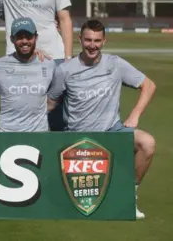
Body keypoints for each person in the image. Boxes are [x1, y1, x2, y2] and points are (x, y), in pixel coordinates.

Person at [47, 19, 156, 220]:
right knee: (69, 201)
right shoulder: (65, 70)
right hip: (78, 138)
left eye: (97, 40)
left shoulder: (115, 64)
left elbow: (149, 86)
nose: (92, 45)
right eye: (88, 40)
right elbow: (50, 103)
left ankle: (129, 197)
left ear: (104, 41)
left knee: (147, 143)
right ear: (80, 39)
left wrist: (135, 114)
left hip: (112, 132)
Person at [0, 0, 73, 131]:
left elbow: (64, 19)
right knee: (21, 117)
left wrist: (68, 58)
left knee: (57, 119)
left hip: (53, 56)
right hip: (19, 59)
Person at [0, 17, 58, 132]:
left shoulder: (48, 64)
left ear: (35, 37)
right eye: (19, 37)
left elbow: (54, 99)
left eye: (28, 36)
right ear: (12, 39)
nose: (24, 41)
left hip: (39, 135)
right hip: (7, 134)